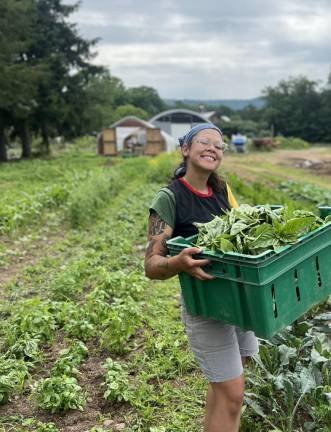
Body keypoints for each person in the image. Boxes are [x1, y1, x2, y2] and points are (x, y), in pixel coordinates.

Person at [144, 123, 259, 432]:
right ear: (185, 149)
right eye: (204, 142)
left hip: (238, 299)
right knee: (234, 394)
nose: (213, 148)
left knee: (227, 384)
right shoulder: (170, 198)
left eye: (219, 146)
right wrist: (179, 263)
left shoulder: (222, 190)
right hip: (206, 305)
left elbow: (244, 232)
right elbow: (152, 265)